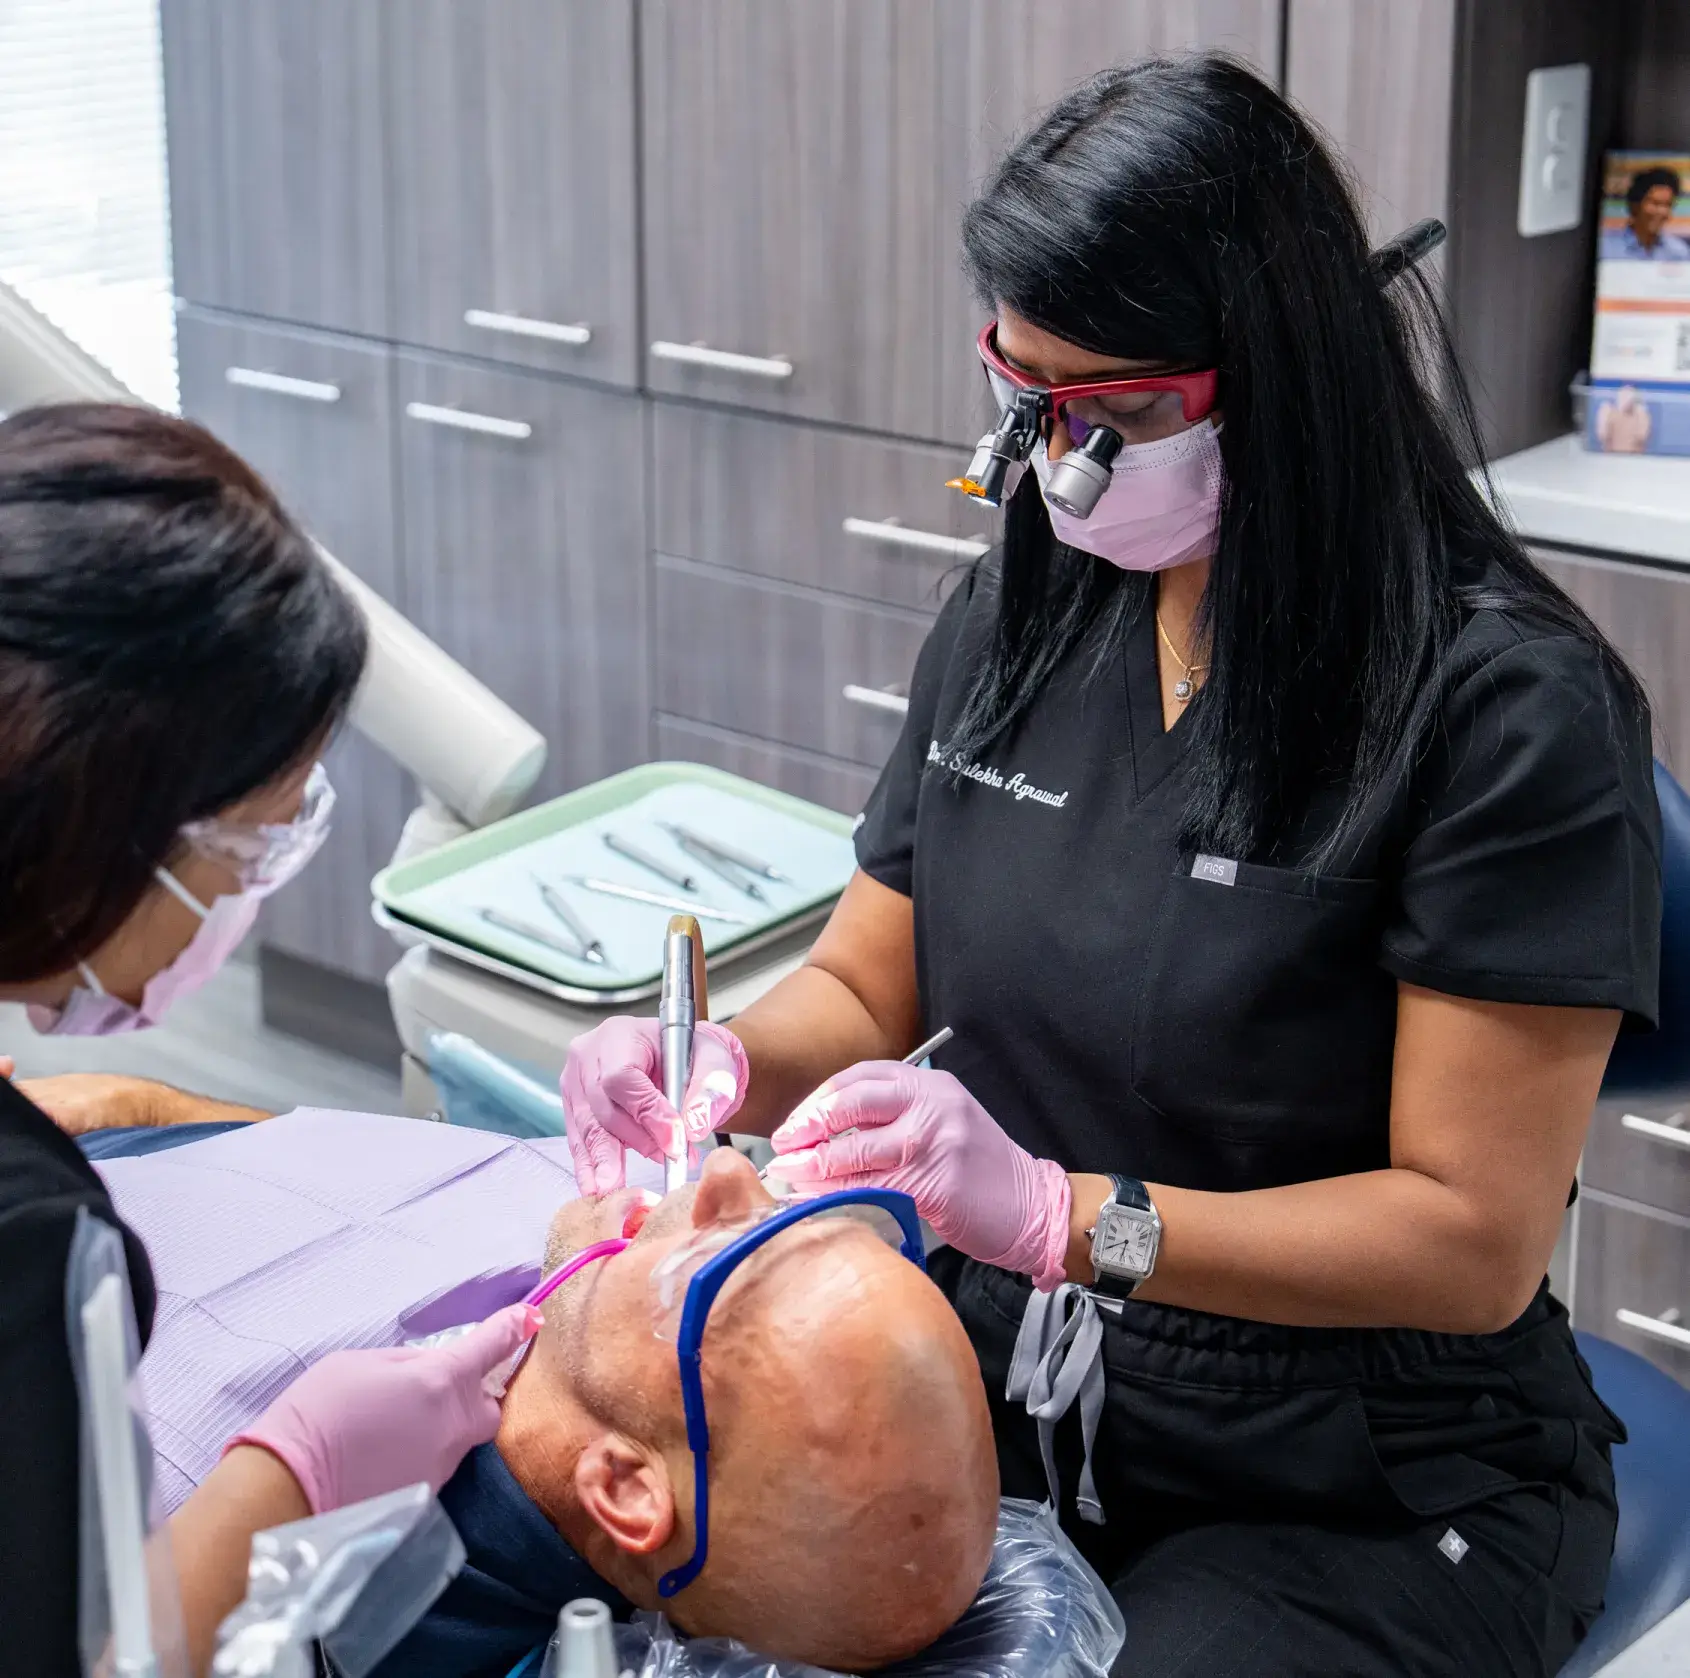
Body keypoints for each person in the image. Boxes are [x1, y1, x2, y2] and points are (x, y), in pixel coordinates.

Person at [562, 57, 1662, 1678]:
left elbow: (1468, 1239)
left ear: (1283, 377)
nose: (1055, 462)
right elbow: (875, 976)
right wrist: (720, 1062)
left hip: (1361, 1461)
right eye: (1024, 395)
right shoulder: (1026, 607)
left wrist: (1062, 1214)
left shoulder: (1497, 711)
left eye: (1113, 414)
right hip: (1010, 1373)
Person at [0, 403, 534, 1677]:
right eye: (260, 838)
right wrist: (289, 1478)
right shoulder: (32, 1246)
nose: (255, 891)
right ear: (102, 806)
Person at [90, 1113, 1000, 1675]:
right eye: (791, 1214)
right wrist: (143, 1113)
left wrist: (286, 1478)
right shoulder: (604, 1258)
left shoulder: (294, 1603)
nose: (728, 1173)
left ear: (627, 1489)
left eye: (733, 1263)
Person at [1601, 165, 1690, 260]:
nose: (1662, 211)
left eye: (1667, 205)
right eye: (1655, 204)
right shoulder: (1605, 249)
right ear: (1635, 204)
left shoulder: (1679, 253)